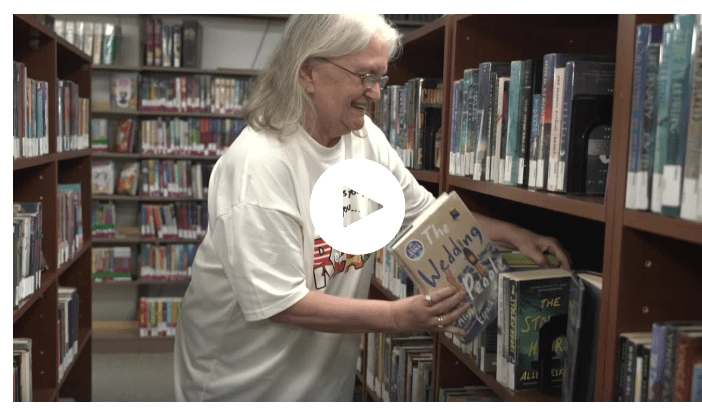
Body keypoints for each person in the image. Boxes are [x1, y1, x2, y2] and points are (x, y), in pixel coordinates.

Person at [174, 14, 571, 402]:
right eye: (364, 76)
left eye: (380, 79)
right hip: (241, 382)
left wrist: (518, 236)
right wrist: (399, 316)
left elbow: (427, 215)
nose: (377, 93)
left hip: (322, 379)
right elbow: (281, 302)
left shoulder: (365, 140)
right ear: (308, 73)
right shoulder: (259, 166)